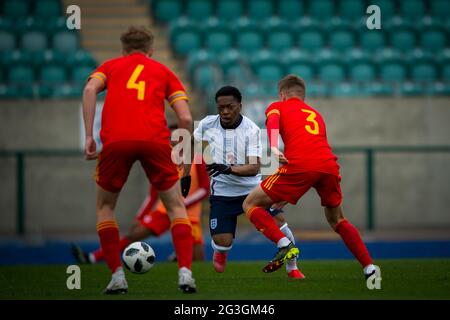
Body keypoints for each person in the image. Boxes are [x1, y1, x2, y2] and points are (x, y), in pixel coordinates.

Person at [82, 26, 196, 294]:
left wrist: (89, 136)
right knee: (176, 207)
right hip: (155, 141)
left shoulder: (110, 67)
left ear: (123, 50)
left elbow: (89, 91)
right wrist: (183, 151)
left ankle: (117, 277)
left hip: (116, 142)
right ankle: (185, 274)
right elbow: (187, 118)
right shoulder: (164, 72)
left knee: (105, 207)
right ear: (151, 50)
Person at [243, 74, 379, 280]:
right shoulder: (316, 114)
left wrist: (271, 146)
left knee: (251, 203)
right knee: (338, 220)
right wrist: (285, 197)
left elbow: (272, 122)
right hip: (328, 166)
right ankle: (369, 267)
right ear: (302, 96)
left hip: (299, 165)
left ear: (282, 94)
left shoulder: (278, 106)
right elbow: (313, 160)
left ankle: (283, 244)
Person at [194, 86, 304, 279]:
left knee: (281, 226)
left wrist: (228, 168)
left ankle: (292, 268)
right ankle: (221, 250)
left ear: (240, 106)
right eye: (221, 108)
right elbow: (190, 142)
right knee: (222, 241)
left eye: (230, 107)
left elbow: (254, 168)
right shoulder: (207, 124)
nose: (225, 112)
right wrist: (186, 174)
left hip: (251, 190)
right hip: (222, 193)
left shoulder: (251, 129)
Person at [71, 153, 209, 264]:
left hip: (189, 216)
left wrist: (180, 205)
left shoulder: (197, 159)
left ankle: (177, 259)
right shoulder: (166, 160)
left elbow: (205, 189)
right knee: (133, 235)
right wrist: (140, 217)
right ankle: (92, 258)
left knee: (198, 259)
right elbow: (153, 195)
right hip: (163, 212)